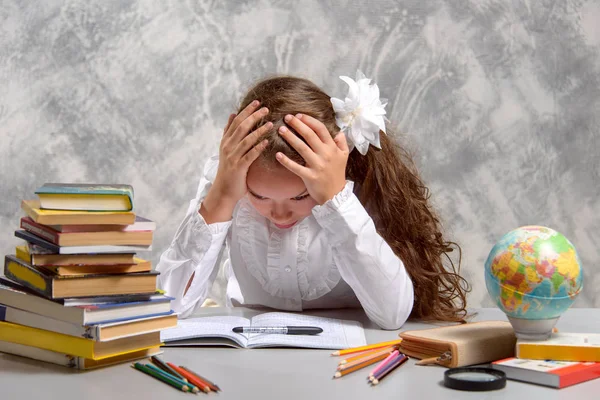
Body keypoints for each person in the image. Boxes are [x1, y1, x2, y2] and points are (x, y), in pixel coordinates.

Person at [156, 71, 469, 329]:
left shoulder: (353, 187)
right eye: (260, 196)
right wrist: (222, 197)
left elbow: (392, 315)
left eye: (300, 196)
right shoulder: (228, 180)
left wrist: (335, 201)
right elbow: (169, 307)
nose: (279, 213)